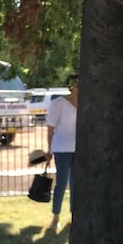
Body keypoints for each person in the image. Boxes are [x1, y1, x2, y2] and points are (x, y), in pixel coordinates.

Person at [45, 73, 78, 232]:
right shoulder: (58, 104)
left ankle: (75, 217)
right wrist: (49, 150)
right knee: (61, 183)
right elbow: (50, 128)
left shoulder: (86, 103)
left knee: (76, 183)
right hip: (62, 148)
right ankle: (55, 217)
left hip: (79, 149)